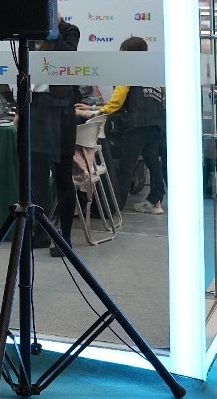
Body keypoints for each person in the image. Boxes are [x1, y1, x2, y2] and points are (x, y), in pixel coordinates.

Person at [83, 37, 166, 214]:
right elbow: (163, 98)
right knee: (153, 162)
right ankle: (155, 201)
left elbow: (118, 99)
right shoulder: (153, 71)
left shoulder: (129, 68)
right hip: (156, 122)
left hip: (137, 123)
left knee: (126, 166)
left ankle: (115, 206)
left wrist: (100, 111)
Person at [27, 16, 80, 257]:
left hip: (60, 113)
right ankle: (40, 232)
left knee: (62, 177)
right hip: (37, 109)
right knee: (37, 177)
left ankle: (65, 237)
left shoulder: (69, 31)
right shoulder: (29, 35)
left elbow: (68, 56)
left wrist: (53, 27)